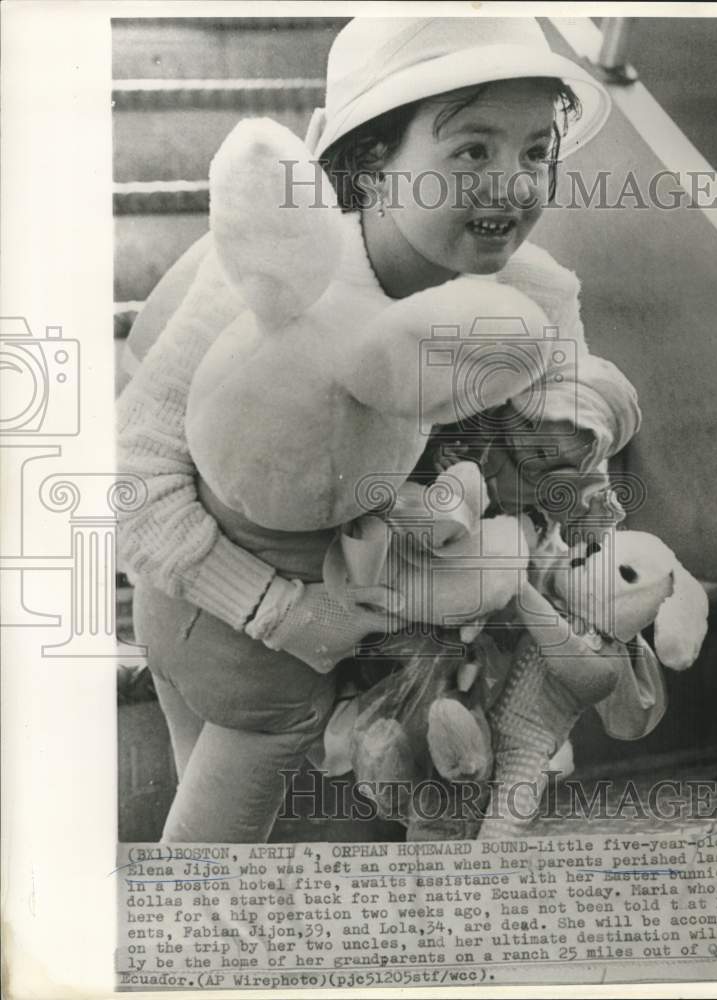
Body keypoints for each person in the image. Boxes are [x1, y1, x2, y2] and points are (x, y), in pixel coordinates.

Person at [117, 16, 614, 842]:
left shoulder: (537, 295)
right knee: (222, 810)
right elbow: (134, 486)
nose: (515, 185)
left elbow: (567, 441)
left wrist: (570, 467)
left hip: (405, 607)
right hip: (217, 594)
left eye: (534, 152)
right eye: (472, 152)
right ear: (371, 157)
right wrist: (277, 612)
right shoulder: (269, 267)